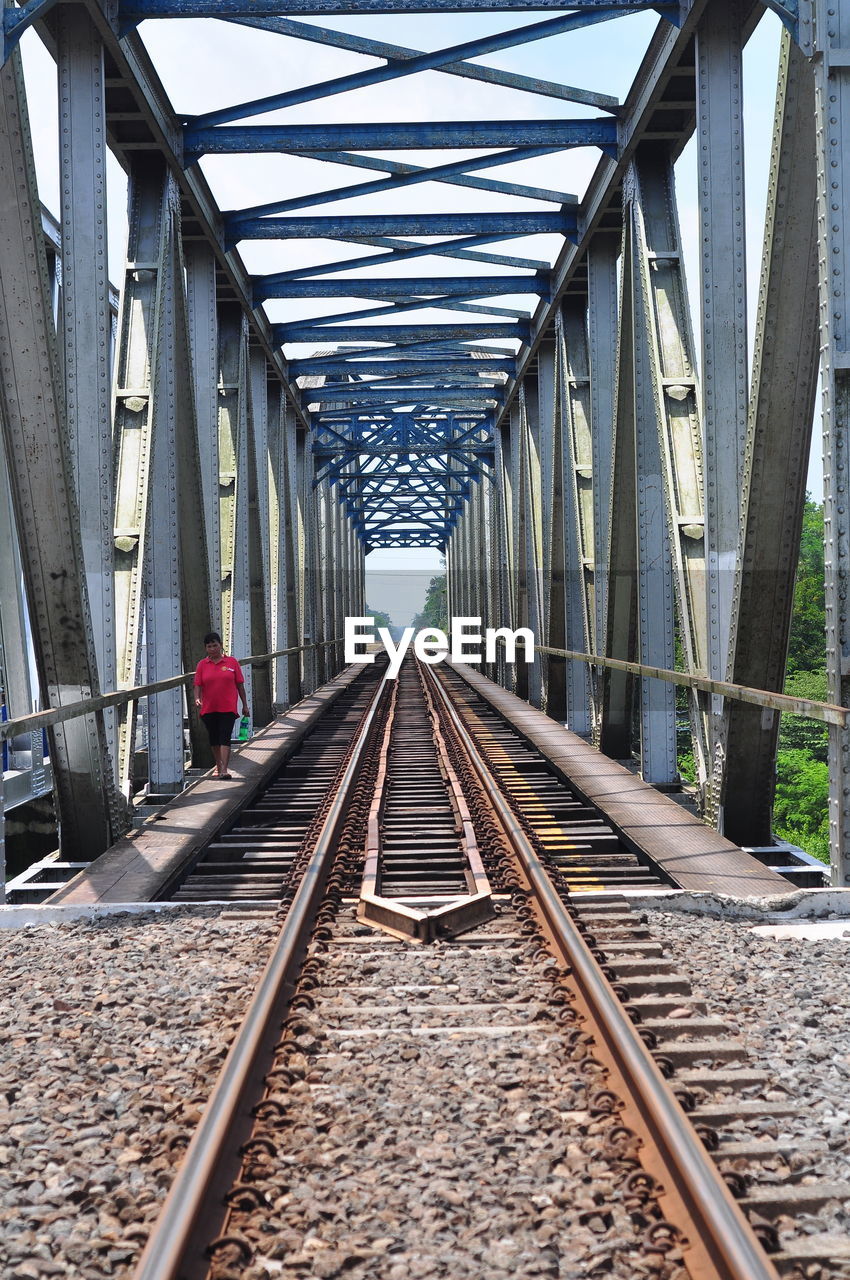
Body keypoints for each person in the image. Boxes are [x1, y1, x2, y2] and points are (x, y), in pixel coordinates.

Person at [194, 632, 249, 780]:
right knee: (214, 738)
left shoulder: (232, 662)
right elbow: (198, 685)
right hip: (209, 707)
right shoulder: (202, 665)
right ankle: (218, 766)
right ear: (206, 648)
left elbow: (240, 686)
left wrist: (245, 705)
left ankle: (224, 769)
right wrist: (197, 698)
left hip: (228, 707)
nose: (212, 649)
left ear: (221, 645)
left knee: (225, 736)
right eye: (209, 646)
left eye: (215, 645)